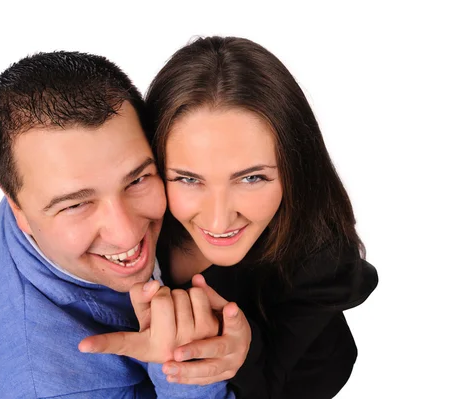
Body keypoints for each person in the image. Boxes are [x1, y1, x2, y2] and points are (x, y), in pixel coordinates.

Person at [83, 36, 379, 398]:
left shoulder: (322, 264)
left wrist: (242, 350)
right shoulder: (136, 209)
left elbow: (273, 385)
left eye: (252, 178)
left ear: (293, 170)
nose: (220, 221)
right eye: (189, 179)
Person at [0, 50, 246, 398]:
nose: (125, 233)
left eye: (137, 180)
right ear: (16, 205)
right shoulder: (48, 387)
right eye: (78, 204)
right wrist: (190, 377)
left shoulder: (47, 184)